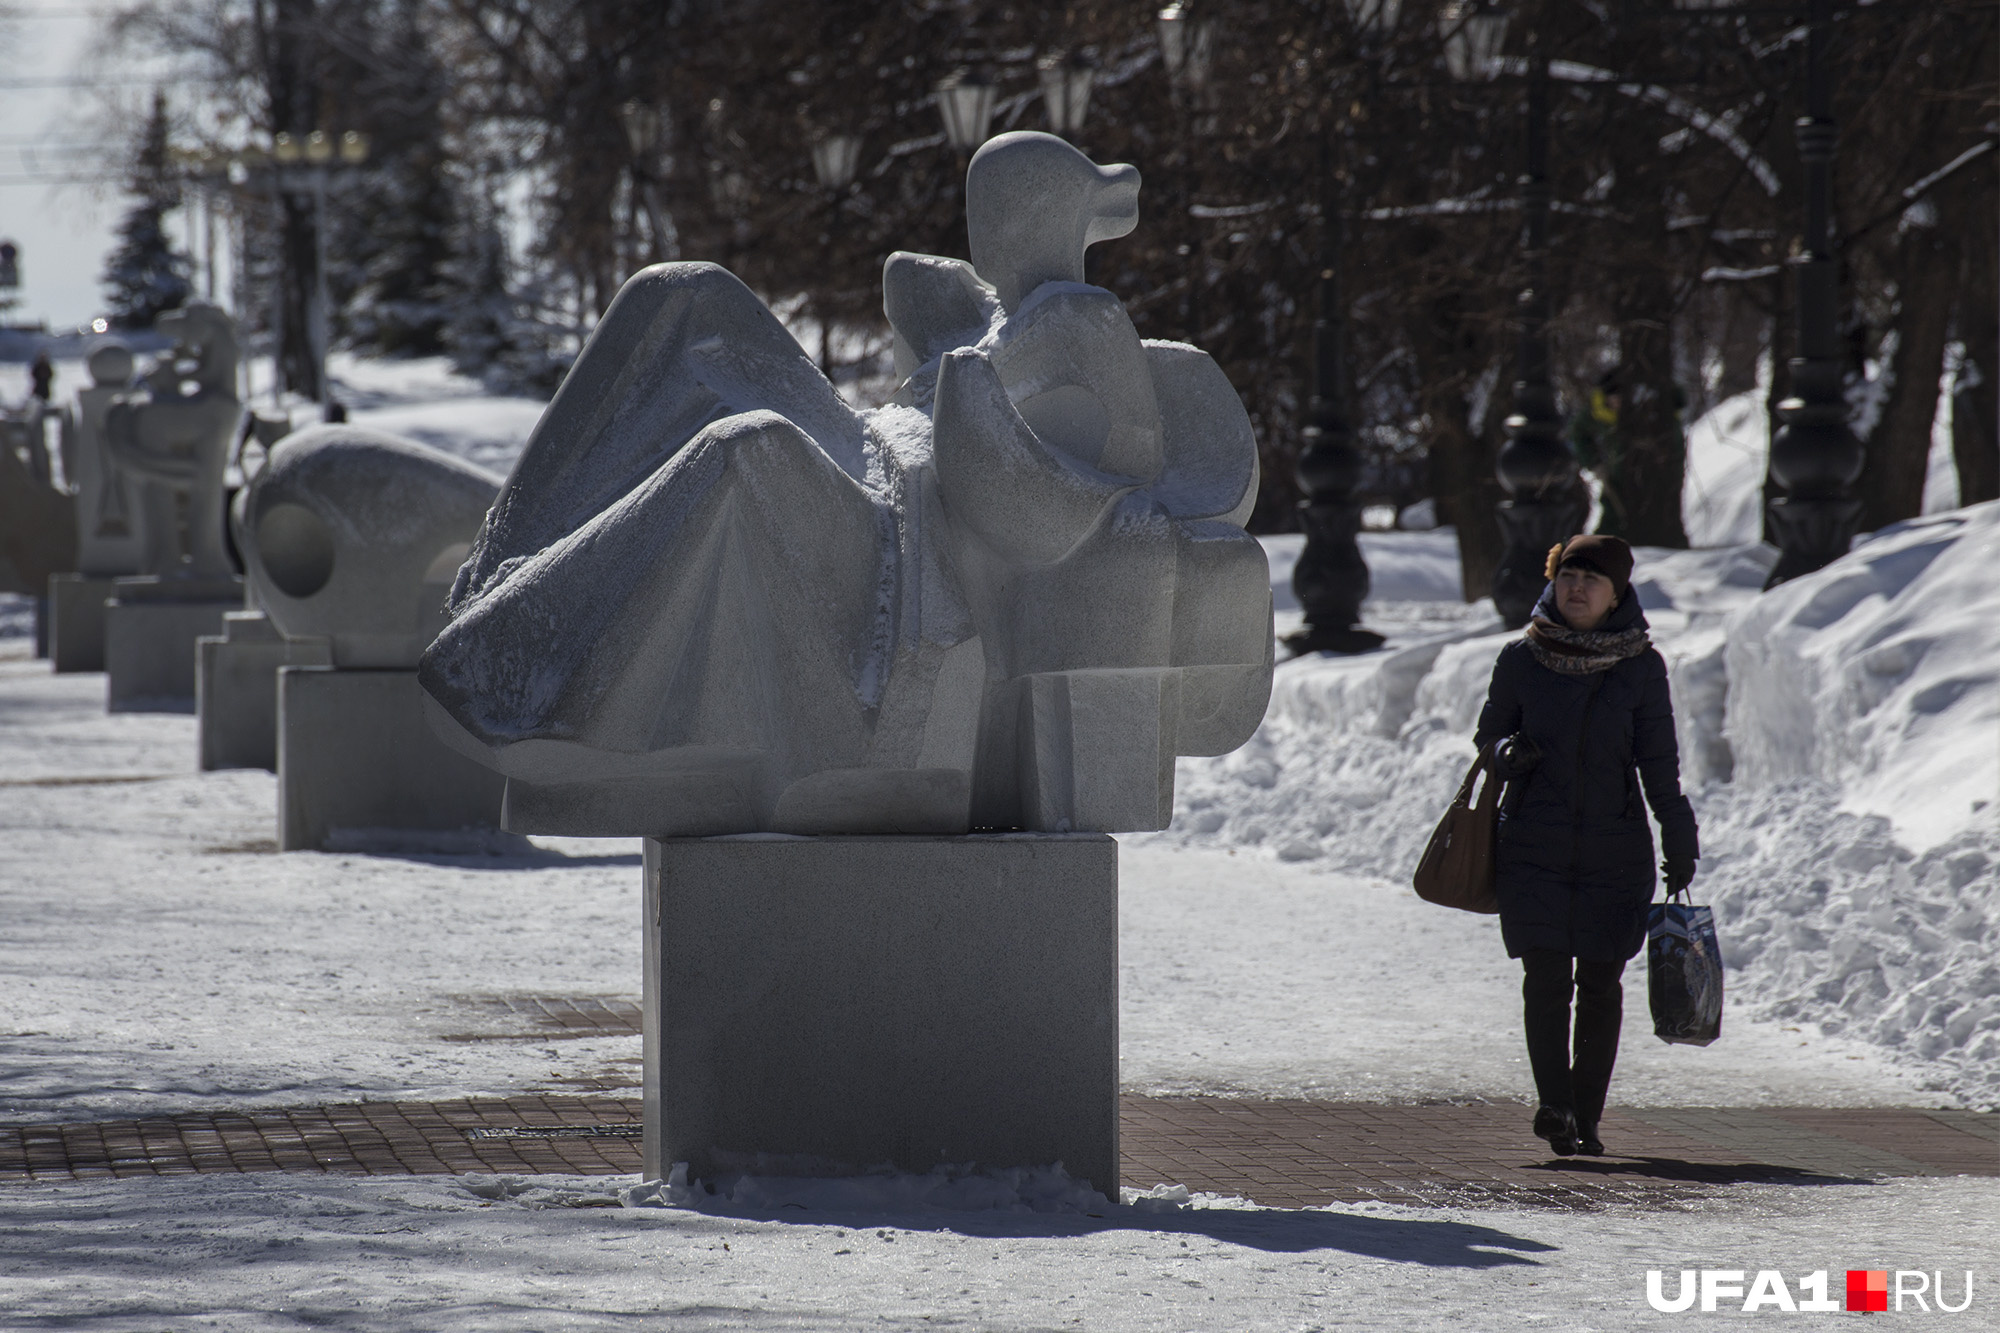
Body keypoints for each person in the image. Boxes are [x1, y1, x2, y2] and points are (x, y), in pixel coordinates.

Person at [1473, 534, 1698, 1157]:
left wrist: (1679, 840)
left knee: (1600, 983)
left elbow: (1660, 763)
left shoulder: (1640, 668)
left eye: (1591, 580)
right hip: (1532, 844)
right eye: (1568, 575)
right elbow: (1490, 735)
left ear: (1617, 593)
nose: (1577, 588)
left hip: (1614, 850)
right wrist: (1504, 753)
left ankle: (1586, 1115)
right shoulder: (1522, 659)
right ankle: (1554, 1105)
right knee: (1545, 978)